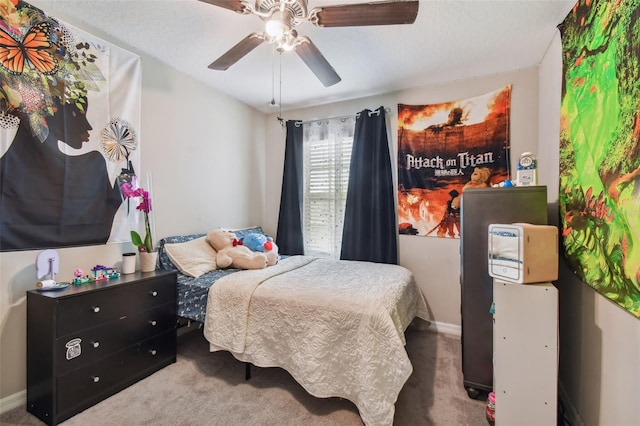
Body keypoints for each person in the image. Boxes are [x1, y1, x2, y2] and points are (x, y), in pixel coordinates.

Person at [0, 95, 122, 251]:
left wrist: (114, 201)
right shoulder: (92, 166)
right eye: (76, 115)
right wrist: (114, 200)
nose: (88, 126)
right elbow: (96, 231)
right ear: (48, 116)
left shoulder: (91, 166)